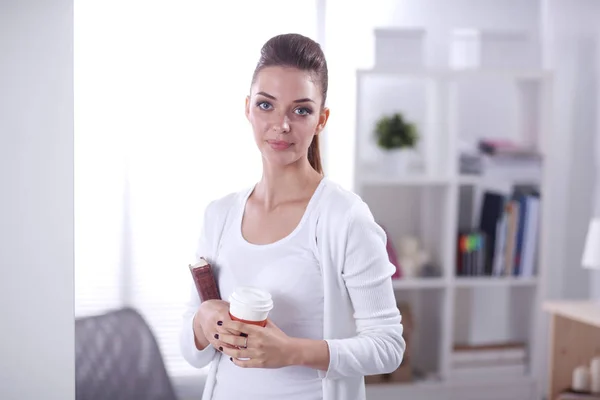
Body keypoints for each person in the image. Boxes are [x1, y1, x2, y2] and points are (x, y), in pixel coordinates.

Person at [179, 33, 405, 400]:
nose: (281, 125)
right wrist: (204, 322)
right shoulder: (218, 215)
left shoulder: (344, 218)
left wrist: (290, 351)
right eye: (266, 105)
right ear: (248, 108)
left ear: (321, 119)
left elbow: (388, 347)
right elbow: (193, 352)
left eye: (301, 110)